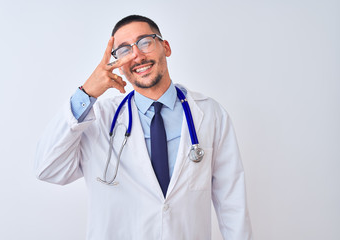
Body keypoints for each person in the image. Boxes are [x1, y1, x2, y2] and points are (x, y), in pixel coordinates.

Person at [35, 15, 253, 240]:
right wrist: (85, 93)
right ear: (117, 64)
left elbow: (232, 205)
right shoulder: (99, 118)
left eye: (145, 42)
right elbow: (47, 168)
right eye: (124, 50)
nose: (136, 55)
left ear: (165, 47)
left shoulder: (210, 115)